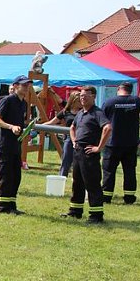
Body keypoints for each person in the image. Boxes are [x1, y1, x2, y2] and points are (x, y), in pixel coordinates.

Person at [61, 86, 111, 224]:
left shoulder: (97, 113)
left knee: (92, 183)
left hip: (89, 153)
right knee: (77, 182)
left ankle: (96, 215)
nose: (82, 98)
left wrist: (99, 147)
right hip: (78, 151)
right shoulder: (80, 113)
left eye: (86, 96)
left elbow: (107, 127)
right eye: (81, 96)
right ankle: (75, 211)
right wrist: (73, 141)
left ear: (93, 96)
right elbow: (72, 127)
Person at [101, 81, 140, 204]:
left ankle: (106, 197)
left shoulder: (109, 102)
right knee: (129, 171)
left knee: (109, 171)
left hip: (112, 143)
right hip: (130, 143)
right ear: (130, 90)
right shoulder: (136, 101)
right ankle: (129, 197)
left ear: (118, 89)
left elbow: (102, 118)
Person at [0, 75, 31, 214]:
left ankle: (11, 206)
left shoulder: (23, 103)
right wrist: (11, 127)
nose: (26, 87)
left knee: (16, 176)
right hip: (4, 144)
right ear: (15, 86)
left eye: (28, 85)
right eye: (24, 85)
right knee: (6, 176)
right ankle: (3, 207)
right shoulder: (7, 100)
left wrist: (24, 130)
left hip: (15, 144)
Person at [50, 92, 82, 177]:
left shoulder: (83, 112)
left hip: (81, 137)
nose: (81, 102)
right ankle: (62, 177)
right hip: (69, 138)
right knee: (66, 159)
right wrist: (36, 126)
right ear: (73, 101)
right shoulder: (65, 112)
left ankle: (78, 179)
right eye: (79, 101)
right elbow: (51, 122)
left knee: (80, 161)